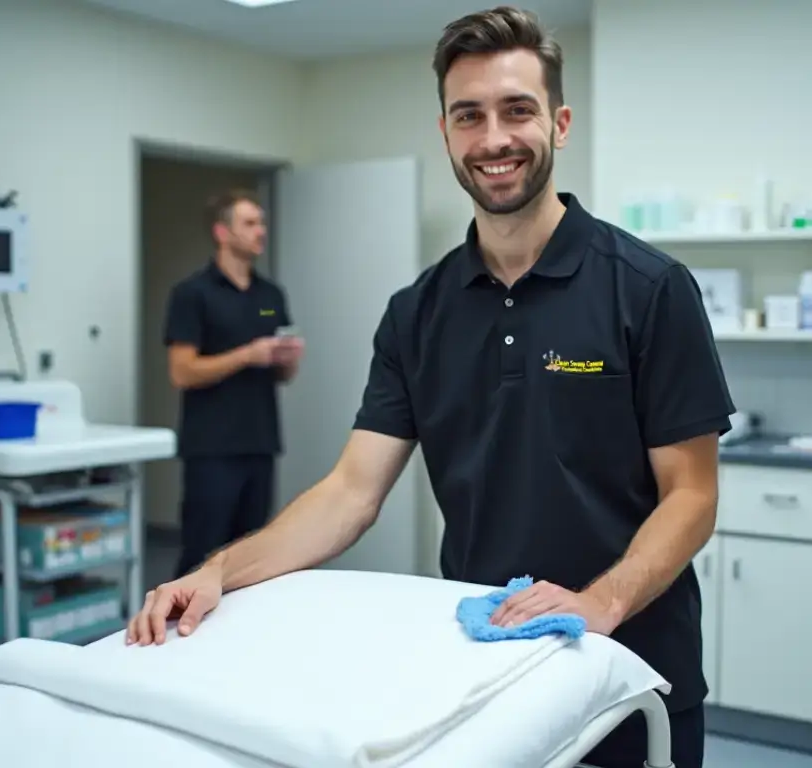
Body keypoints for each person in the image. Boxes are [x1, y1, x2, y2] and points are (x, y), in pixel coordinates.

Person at [128, 8, 733, 767]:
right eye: (468, 116)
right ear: (445, 132)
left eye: (518, 110)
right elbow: (351, 492)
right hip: (487, 666)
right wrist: (215, 573)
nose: (494, 139)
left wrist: (598, 604)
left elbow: (692, 495)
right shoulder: (417, 313)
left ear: (561, 122)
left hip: (632, 668)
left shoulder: (648, 290)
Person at [161, 189, 304, 579]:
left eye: (262, 222)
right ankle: (181, 634)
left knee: (250, 557)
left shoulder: (269, 296)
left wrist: (286, 360)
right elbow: (182, 371)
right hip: (211, 449)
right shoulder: (192, 295)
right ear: (222, 233)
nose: (261, 230)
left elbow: (281, 375)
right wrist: (247, 355)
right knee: (201, 556)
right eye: (250, 223)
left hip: (259, 444)